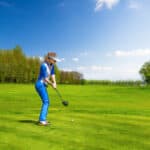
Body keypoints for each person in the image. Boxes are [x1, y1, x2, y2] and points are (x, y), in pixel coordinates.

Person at [35, 52, 58, 126]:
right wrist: (52, 84)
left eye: (55, 60)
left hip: (43, 85)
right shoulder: (43, 66)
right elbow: (45, 78)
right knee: (46, 101)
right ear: (49, 59)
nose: (55, 61)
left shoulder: (52, 66)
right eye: (54, 60)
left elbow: (53, 74)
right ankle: (42, 120)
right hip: (40, 84)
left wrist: (55, 82)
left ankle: (42, 119)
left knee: (46, 101)